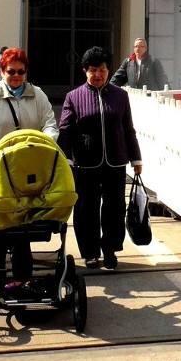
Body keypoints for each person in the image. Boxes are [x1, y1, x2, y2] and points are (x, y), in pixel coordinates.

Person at [0, 47, 58, 285]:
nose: (16, 76)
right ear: (1, 71)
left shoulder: (37, 95)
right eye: (11, 71)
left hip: (28, 170)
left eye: (21, 71)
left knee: (22, 222)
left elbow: (50, 123)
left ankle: (22, 276)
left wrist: (46, 141)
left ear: (26, 72)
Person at [58, 45, 141, 270]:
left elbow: (128, 129)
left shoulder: (120, 95)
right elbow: (65, 130)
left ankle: (111, 250)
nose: (98, 74)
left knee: (115, 207)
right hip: (85, 163)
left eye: (103, 69)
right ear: (85, 71)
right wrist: (63, 159)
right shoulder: (74, 97)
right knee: (87, 208)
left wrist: (136, 159)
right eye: (93, 70)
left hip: (115, 161)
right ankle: (91, 252)